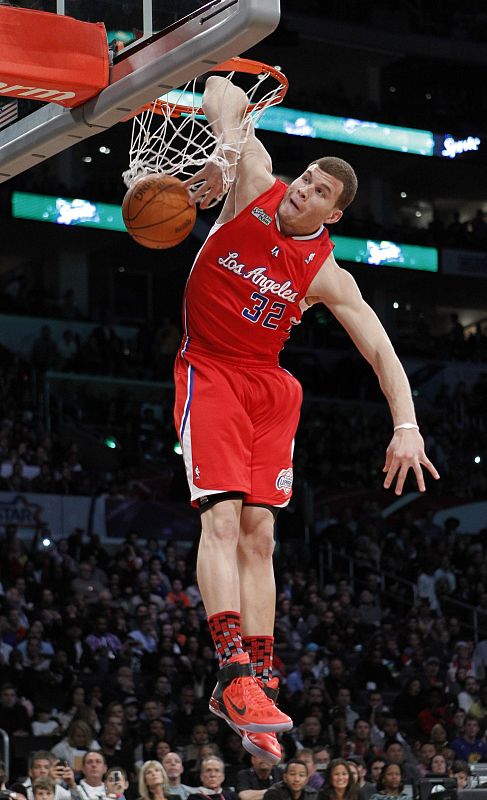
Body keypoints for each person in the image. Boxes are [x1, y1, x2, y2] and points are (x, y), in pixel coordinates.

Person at [176, 74, 439, 764]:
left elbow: (380, 351)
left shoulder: (327, 272)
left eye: (320, 189)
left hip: (269, 388)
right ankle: (231, 671)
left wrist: (404, 425)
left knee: (260, 537)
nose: (303, 187)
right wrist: (225, 151)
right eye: (307, 176)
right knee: (222, 520)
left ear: (335, 212)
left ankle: (259, 678)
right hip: (210, 370)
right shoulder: (253, 182)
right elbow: (221, 88)